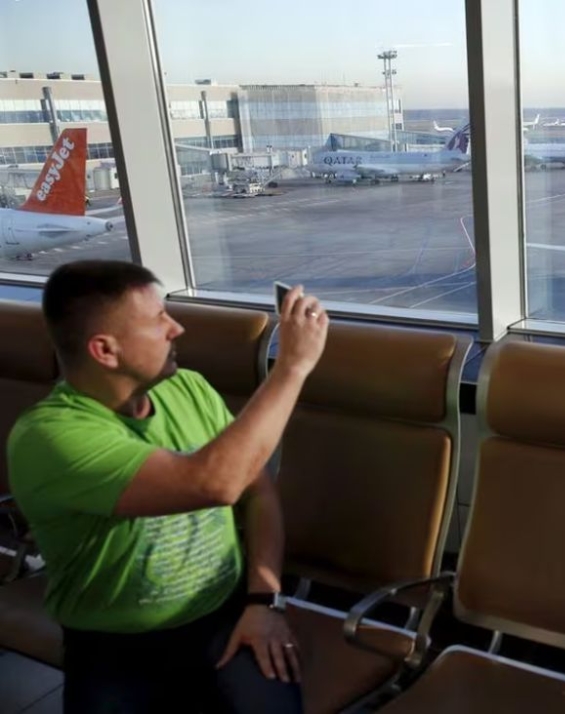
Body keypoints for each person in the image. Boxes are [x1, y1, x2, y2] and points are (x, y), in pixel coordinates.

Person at [8, 260, 329, 713]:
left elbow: (257, 492)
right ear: (105, 350)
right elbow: (218, 482)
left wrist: (263, 601)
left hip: (227, 616)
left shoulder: (190, 389)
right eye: (159, 320)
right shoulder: (50, 438)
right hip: (117, 648)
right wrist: (291, 369)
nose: (176, 328)